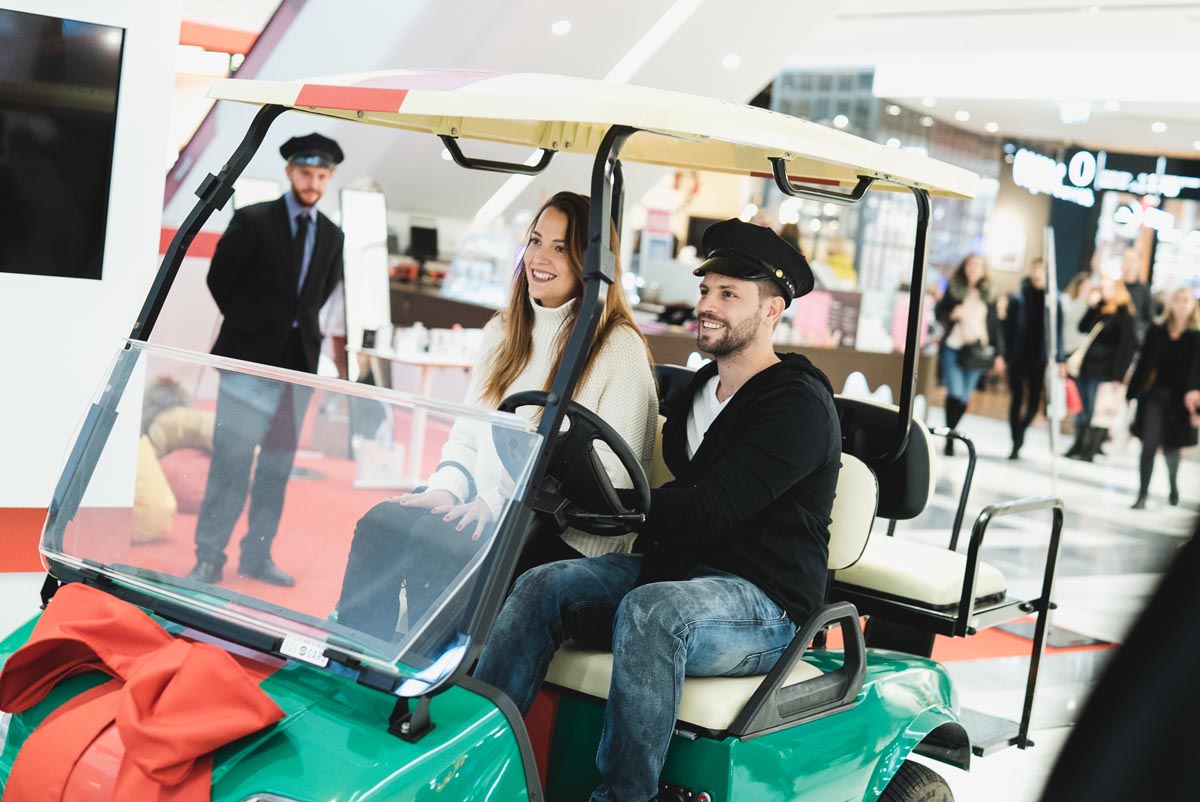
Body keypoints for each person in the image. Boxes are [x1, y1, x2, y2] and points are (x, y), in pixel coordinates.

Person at [474, 219, 839, 802]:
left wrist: (610, 502)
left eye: (729, 295)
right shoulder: (697, 392)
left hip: (765, 603)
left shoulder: (797, 405)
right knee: (541, 584)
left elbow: (709, 511)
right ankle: (476, 764)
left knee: (654, 612)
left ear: (773, 310)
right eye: (706, 290)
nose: (707, 306)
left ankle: (624, 796)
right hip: (679, 575)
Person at [334, 191, 658, 643]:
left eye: (560, 248)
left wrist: (494, 504)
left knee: (441, 543)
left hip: (564, 533)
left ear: (592, 263)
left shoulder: (617, 347)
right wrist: (448, 488)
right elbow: (467, 433)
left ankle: (425, 674)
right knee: (381, 524)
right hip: (486, 509)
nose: (539, 258)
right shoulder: (503, 330)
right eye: (536, 241)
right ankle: (355, 659)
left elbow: (608, 479)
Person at [188, 133, 346, 586]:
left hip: (297, 369)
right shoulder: (253, 219)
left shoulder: (332, 235)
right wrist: (253, 326)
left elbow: (320, 293)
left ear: (330, 178)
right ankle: (209, 557)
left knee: (276, 469)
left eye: (321, 176)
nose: (312, 183)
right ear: (290, 171)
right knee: (231, 463)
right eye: (305, 173)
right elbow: (220, 278)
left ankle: (257, 557)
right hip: (248, 363)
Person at [1126, 288, 1199, 508]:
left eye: (1186, 301)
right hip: (1154, 395)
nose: (1181, 305)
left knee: (1172, 447)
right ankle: (1142, 495)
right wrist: (1131, 392)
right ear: (1170, 303)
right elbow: (1144, 364)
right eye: (1177, 299)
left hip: (1181, 400)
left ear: (1193, 305)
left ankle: (1173, 485)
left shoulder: (1196, 336)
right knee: (1148, 444)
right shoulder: (1157, 330)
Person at [934, 253, 1005, 455]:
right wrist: (951, 314)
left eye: (978, 266)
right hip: (954, 346)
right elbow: (939, 313)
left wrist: (999, 354)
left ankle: (952, 433)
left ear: (983, 270)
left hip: (977, 352)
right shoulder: (954, 289)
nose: (973, 269)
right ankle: (950, 439)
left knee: (964, 397)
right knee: (955, 392)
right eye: (970, 265)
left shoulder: (989, 295)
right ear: (964, 267)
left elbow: (995, 327)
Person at [1065, 277, 1137, 462]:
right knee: (1082, 408)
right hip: (1087, 366)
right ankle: (1078, 444)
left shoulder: (1124, 316)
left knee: (1096, 411)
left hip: (1105, 371)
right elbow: (1083, 327)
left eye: (1110, 289)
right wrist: (1092, 307)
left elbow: (1126, 348)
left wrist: (1118, 376)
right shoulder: (1100, 310)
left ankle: (1089, 448)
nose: (1105, 292)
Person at [1003, 258, 1064, 459]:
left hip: (1039, 359)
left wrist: (1059, 358)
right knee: (1017, 398)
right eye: (1035, 269)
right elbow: (1007, 330)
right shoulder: (1019, 298)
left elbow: (1057, 331)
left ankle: (1020, 431)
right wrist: (1005, 356)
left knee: (1033, 405)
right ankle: (1015, 441)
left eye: (1041, 270)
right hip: (1018, 357)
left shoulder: (1054, 301)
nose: (1038, 274)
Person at [1120, 246, 1155, 344]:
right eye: (1126, 259)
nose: (1129, 264)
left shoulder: (1145, 292)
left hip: (1132, 343)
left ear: (1139, 264)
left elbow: (1150, 320)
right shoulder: (1115, 287)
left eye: (1133, 260)